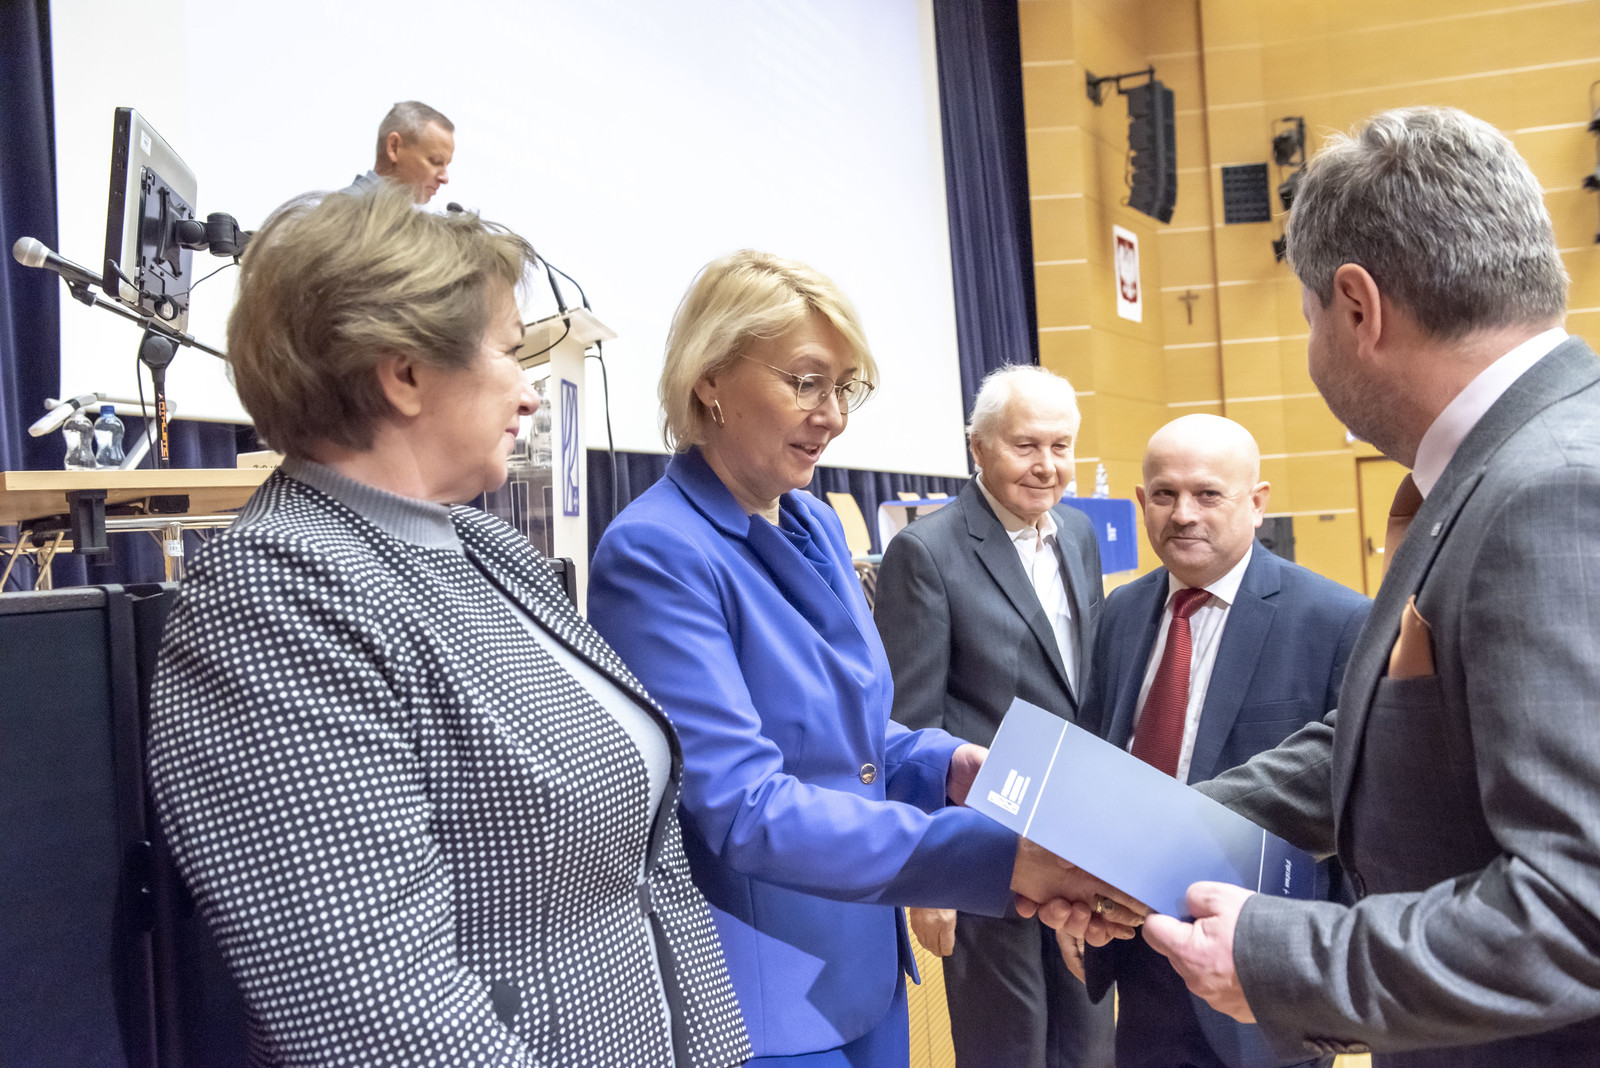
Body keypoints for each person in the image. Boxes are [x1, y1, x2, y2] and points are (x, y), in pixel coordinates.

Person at [146, 183, 750, 1067]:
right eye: (510, 351)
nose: (530, 393)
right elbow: (374, 1010)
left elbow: (642, 875)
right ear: (405, 374)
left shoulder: (483, 545)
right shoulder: (272, 594)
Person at [1112, 106, 1600, 1065]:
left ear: (1358, 306)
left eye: (1307, 318)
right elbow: (1383, 737)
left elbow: (1577, 907)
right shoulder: (1506, 467)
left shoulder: (1552, 490)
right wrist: (1147, 834)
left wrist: (1278, 957)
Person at [587, 250, 1144, 1067]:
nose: (834, 416)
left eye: (845, 388)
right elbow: (744, 806)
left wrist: (954, 766)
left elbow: (856, 738)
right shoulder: (657, 550)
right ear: (710, 380)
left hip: (869, 972)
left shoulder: (811, 523)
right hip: (767, 1000)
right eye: (807, 383)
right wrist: (1003, 859)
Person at [1073, 414, 1369, 1068]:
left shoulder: (1337, 621)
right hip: (1135, 948)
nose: (1183, 514)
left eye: (1208, 494)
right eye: (1164, 494)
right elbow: (1099, 759)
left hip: (1256, 969)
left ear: (1257, 503)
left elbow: (1352, 803)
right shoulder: (1121, 612)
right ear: (1141, 501)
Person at [873, 364, 1115, 1068]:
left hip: (1079, 835)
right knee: (1008, 1047)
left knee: (1090, 1042)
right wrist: (931, 875)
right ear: (978, 447)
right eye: (1026, 445)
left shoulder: (1078, 533)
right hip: (987, 843)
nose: (1047, 465)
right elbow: (908, 720)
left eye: (1061, 447)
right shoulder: (927, 551)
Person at [344, 100, 454, 203]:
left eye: (447, 165)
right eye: (436, 162)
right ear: (394, 147)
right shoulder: (345, 209)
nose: (445, 179)